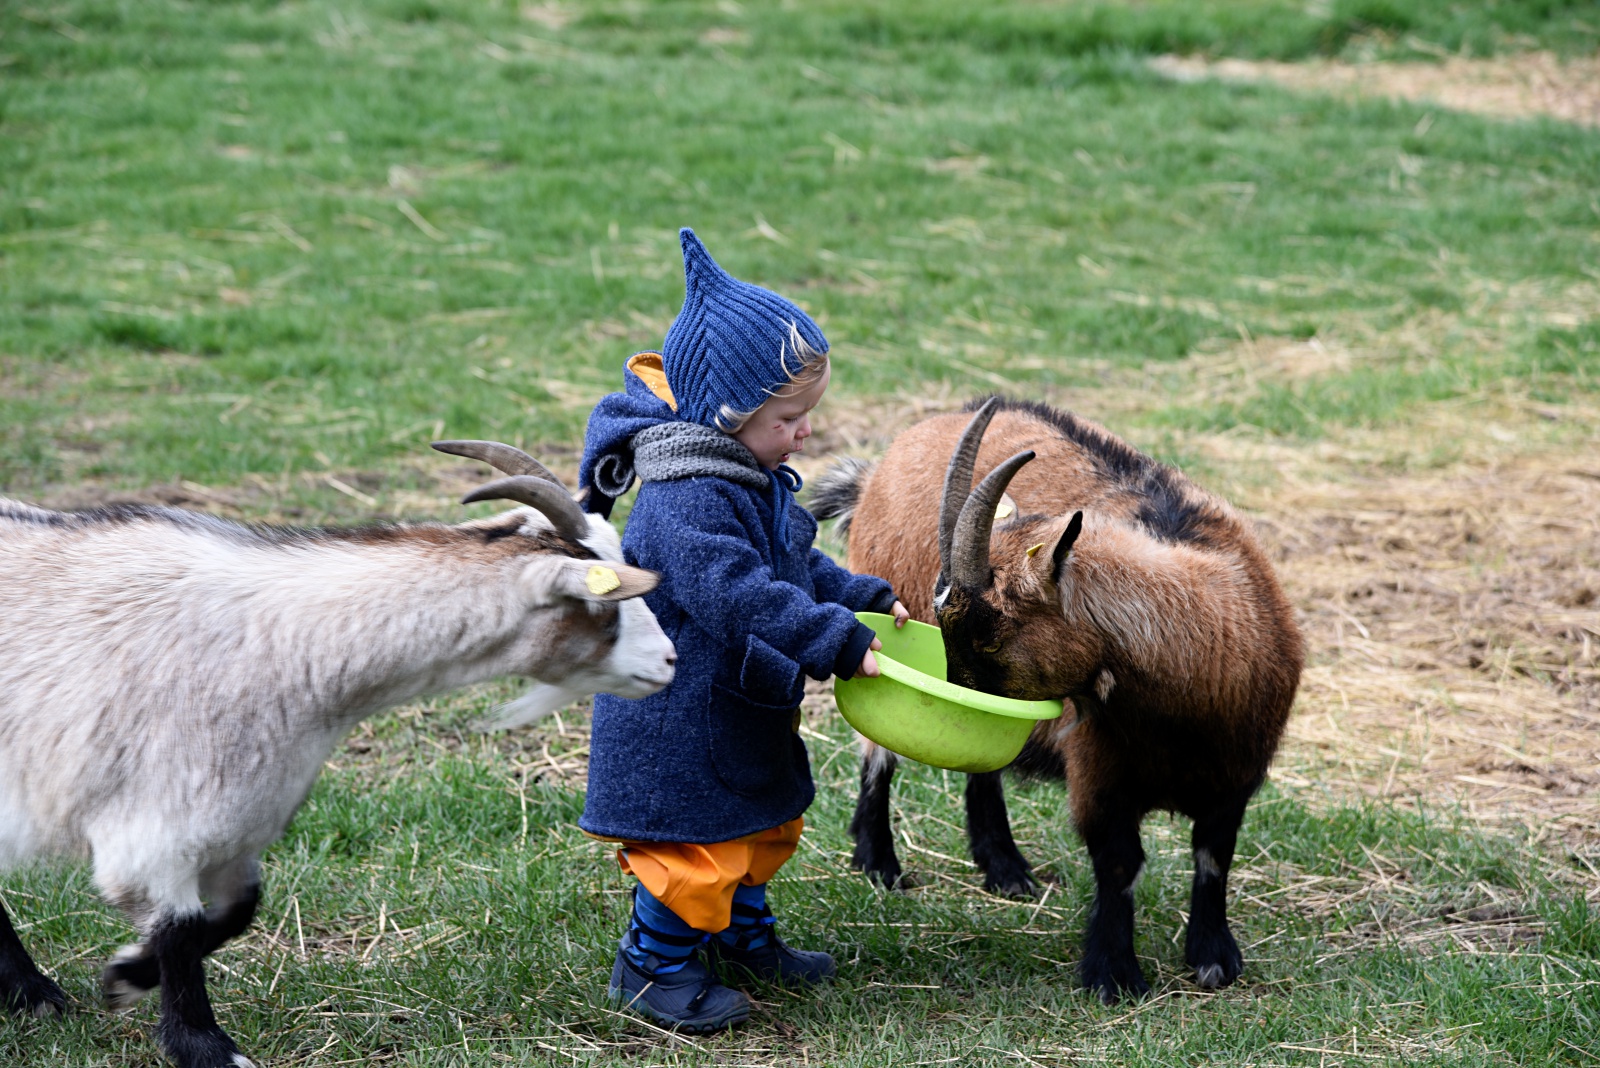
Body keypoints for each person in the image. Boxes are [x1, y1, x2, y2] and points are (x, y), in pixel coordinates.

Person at [577, 228, 909, 1032]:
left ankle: (736, 934)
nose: (804, 435)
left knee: (760, 829)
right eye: (788, 419)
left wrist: (861, 598)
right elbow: (741, 594)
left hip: (737, 710)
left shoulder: (746, 475)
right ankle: (652, 967)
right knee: (696, 853)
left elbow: (794, 560)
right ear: (729, 416)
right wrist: (831, 640)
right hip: (680, 723)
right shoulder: (688, 498)